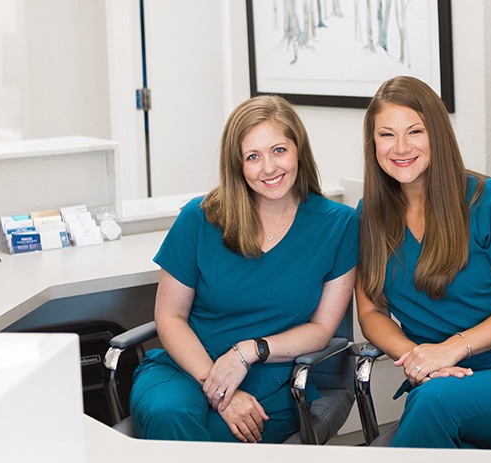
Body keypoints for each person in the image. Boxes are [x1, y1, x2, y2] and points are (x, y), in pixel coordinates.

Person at [356, 76, 491, 449]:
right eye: (387, 135)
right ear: (373, 143)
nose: (401, 147)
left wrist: (452, 347)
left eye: (415, 131)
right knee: (435, 412)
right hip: (443, 380)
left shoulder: (488, 200)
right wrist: (417, 358)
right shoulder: (368, 216)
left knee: (430, 405)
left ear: (437, 134)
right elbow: (371, 312)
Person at [130, 95, 358, 443]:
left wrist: (248, 352)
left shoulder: (338, 225)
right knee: (168, 414)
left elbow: (322, 328)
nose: (269, 167)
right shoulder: (200, 216)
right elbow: (170, 316)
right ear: (237, 166)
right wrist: (218, 386)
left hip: (272, 378)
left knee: (219, 436)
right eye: (253, 156)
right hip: (188, 367)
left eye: (279, 150)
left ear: (299, 150)